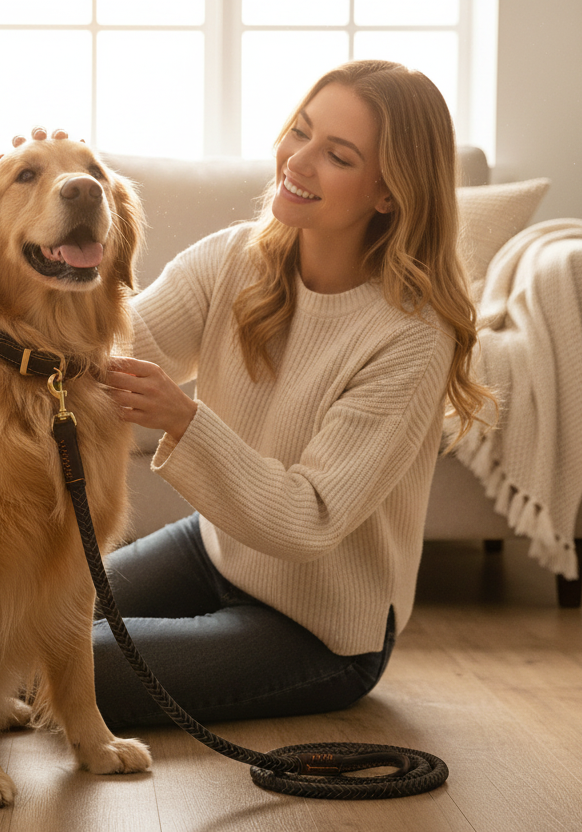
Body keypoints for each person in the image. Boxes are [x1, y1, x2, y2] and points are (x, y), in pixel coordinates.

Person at [87, 59, 493, 728]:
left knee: (65, 661)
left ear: (388, 192)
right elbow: (106, 353)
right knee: (17, 619)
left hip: (320, 629)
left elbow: (309, 520)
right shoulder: (233, 258)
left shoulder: (412, 338)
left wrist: (185, 420)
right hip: (215, 548)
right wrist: (49, 207)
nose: (297, 161)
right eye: (299, 132)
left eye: (336, 154)